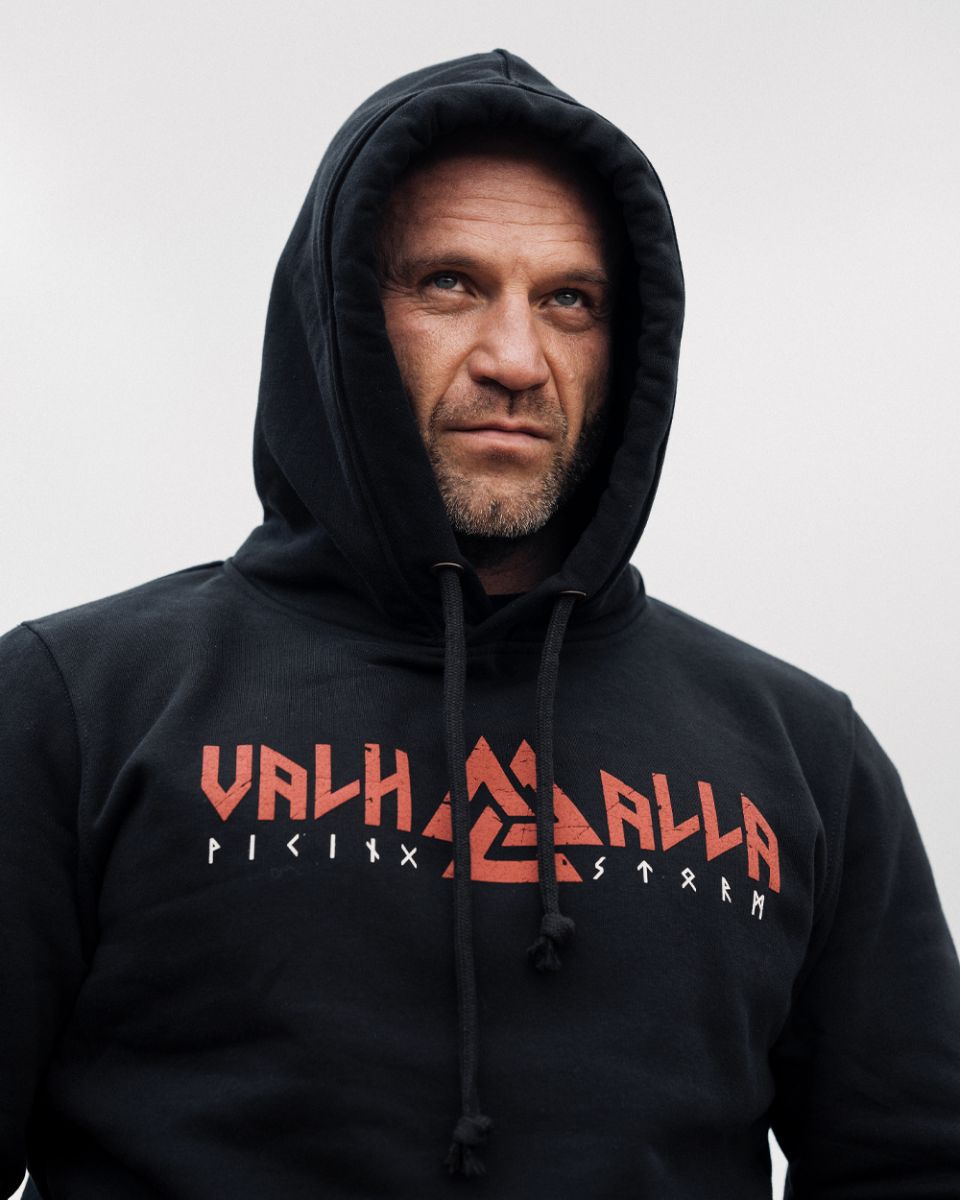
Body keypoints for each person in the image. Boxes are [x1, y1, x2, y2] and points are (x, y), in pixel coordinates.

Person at [2, 47, 958, 1199]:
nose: (515, 359)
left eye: (569, 301)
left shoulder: (804, 758)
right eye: (449, 284)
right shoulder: (76, 706)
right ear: (342, 317)